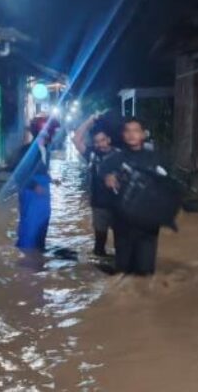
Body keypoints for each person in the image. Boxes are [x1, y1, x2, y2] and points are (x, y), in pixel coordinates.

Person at [100, 118, 167, 276]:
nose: (131, 134)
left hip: (148, 223)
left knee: (145, 272)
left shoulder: (155, 158)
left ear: (143, 134)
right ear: (123, 135)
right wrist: (107, 178)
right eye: (127, 131)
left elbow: (167, 185)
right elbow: (102, 173)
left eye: (136, 131)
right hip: (123, 223)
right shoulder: (113, 159)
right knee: (123, 270)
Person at [72, 111, 120, 256]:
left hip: (119, 206)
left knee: (121, 243)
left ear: (109, 139)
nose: (100, 144)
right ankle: (100, 266)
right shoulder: (92, 154)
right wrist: (89, 120)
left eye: (103, 140)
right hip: (99, 206)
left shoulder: (119, 155)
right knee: (99, 245)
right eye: (97, 142)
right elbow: (76, 139)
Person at [14, 115, 60, 251]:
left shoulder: (45, 150)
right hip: (30, 193)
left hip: (42, 192)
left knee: (43, 221)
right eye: (53, 132)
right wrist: (35, 186)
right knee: (29, 224)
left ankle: (39, 252)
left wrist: (51, 179)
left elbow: (40, 170)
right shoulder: (26, 151)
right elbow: (19, 175)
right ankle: (28, 254)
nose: (54, 136)